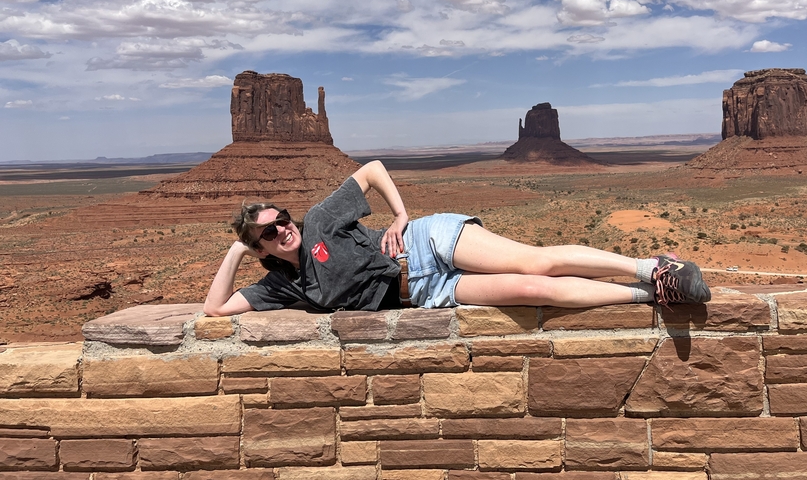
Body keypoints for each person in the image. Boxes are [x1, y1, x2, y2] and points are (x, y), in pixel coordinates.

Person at [203, 160, 711, 316]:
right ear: (260, 248)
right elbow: (215, 310)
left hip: (427, 243)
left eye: (281, 217)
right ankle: (650, 295)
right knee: (533, 291)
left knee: (534, 263)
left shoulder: (317, 220)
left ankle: (652, 266)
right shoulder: (282, 287)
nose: (283, 227)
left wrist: (400, 215)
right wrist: (234, 250)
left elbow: (372, 169)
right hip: (426, 293)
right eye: (268, 231)